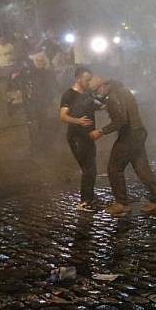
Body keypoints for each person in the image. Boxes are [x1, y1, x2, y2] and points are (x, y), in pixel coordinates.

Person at [89, 77, 156, 217]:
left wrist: (101, 131)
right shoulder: (122, 90)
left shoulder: (113, 96)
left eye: (97, 90)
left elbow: (121, 120)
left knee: (114, 168)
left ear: (104, 86)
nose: (97, 93)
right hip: (138, 132)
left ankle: (122, 203)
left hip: (128, 136)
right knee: (142, 168)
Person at [59, 66, 99, 212]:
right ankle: (85, 202)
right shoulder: (68, 95)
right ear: (78, 78)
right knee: (88, 168)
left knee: (91, 168)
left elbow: (94, 105)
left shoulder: (88, 93)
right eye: (86, 79)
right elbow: (63, 116)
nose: (88, 82)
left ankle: (89, 197)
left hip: (89, 136)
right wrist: (78, 121)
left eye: (90, 80)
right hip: (76, 136)